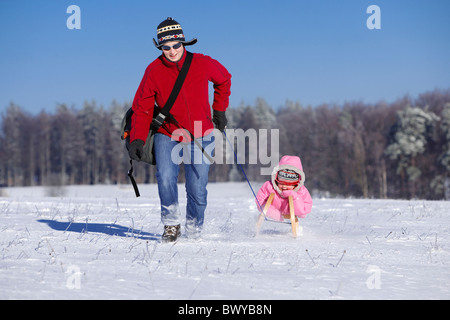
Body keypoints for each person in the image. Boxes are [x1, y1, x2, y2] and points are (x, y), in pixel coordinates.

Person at [128, 17, 231, 242]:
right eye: (166, 47)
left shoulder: (202, 63)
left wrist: (219, 111)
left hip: (201, 132)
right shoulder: (153, 71)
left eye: (176, 45)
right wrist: (137, 139)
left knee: (198, 187)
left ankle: (194, 228)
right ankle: (171, 224)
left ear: (183, 43)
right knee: (165, 177)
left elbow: (224, 80)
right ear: (160, 47)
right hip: (168, 132)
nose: (172, 51)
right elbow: (142, 108)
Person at [256, 155, 312, 221]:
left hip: (291, 213)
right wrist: (272, 212)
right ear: (276, 179)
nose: (284, 186)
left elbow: (304, 211)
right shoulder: (269, 186)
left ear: (296, 184)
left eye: (288, 184)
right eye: (281, 183)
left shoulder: (301, 191)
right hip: (274, 210)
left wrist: (295, 198)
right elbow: (260, 200)